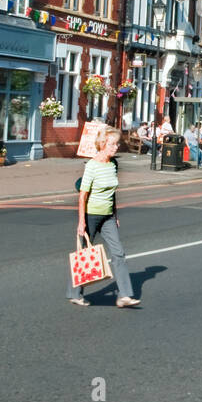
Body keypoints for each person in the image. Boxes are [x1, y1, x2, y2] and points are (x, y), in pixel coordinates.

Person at [66, 127, 139, 307]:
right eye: (113, 144)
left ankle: (124, 296)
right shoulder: (92, 166)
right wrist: (81, 222)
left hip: (107, 217)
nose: (116, 147)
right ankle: (75, 293)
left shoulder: (113, 164)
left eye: (117, 143)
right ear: (103, 144)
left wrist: (115, 214)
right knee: (84, 255)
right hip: (91, 215)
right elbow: (83, 195)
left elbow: (112, 192)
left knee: (118, 253)